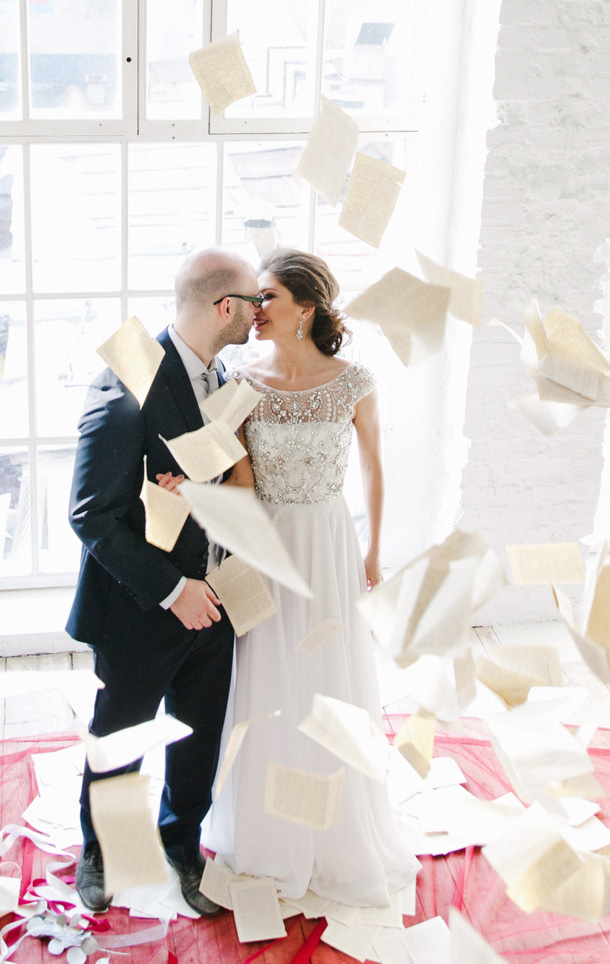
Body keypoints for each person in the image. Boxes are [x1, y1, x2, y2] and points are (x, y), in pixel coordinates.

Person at [196, 248, 420, 907]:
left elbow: (376, 467)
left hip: (328, 543)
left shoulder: (354, 380)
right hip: (266, 542)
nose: (253, 310)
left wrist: (375, 551)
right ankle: (270, 834)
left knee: (329, 681)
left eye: (267, 298)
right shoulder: (240, 376)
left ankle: (336, 830)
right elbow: (235, 474)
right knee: (268, 676)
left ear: (306, 308)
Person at [66, 248, 260, 916]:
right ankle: (104, 852)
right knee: (122, 736)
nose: (260, 313)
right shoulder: (131, 367)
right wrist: (175, 591)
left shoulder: (224, 375)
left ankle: (181, 849)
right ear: (224, 307)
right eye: (254, 302)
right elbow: (92, 512)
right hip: (140, 608)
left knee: (199, 735)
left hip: (219, 601)